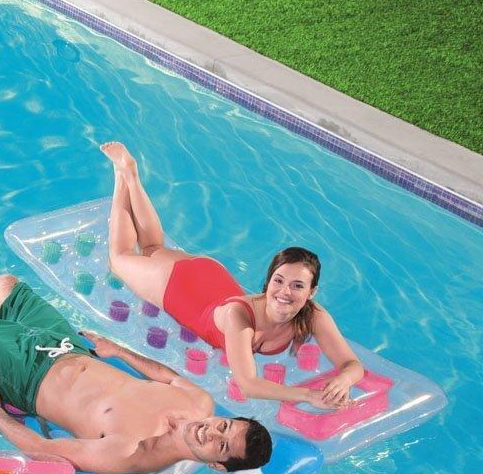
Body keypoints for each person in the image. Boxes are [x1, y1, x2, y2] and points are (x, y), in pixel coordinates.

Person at [0, 218, 272, 474]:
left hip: (27, 376)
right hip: (70, 349)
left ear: (215, 464)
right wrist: (119, 352)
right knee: (5, 286)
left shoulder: (131, 452)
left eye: (218, 445)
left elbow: (44, 451)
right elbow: (166, 374)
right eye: (224, 426)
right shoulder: (198, 400)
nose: (211, 431)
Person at [99, 140, 364, 409]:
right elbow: (248, 384)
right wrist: (308, 395)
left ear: (311, 292)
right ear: (269, 281)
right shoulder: (240, 317)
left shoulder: (314, 315)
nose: (285, 292)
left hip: (211, 277)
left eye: (297, 286)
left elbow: (353, 365)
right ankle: (124, 175)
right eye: (279, 281)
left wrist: (344, 380)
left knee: (153, 249)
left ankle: (130, 177)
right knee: (119, 258)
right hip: (178, 286)